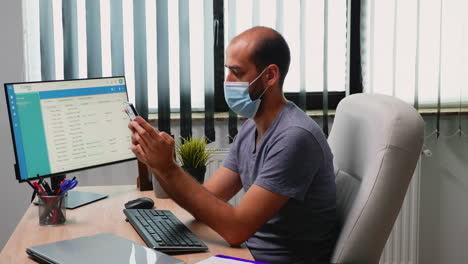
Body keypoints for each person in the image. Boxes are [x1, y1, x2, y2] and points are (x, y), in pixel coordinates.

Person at [129, 26, 338, 264]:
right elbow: (209, 198)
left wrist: (168, 168)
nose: (227, 82)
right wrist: (156, 162)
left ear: (270, 75)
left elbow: (237, 229)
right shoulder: (252, 126)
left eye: (237, 73)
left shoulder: (295, 137)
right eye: (228, 71)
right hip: (249, 252)